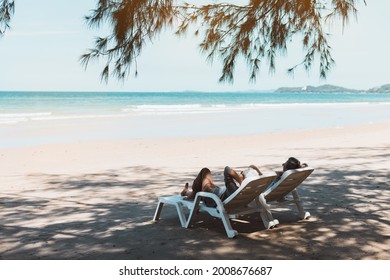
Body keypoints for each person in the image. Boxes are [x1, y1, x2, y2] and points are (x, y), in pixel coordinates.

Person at [181, 165, 262, 205]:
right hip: (219, 193)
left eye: (242, 173)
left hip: (212, 197)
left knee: (205, 171)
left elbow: (227, 169)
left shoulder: (233, 189)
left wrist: (240, 181)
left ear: (244, 178)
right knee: (209, 184)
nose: (240, 174)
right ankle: (187, 192)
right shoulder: (252, 190)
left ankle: (192, 194)